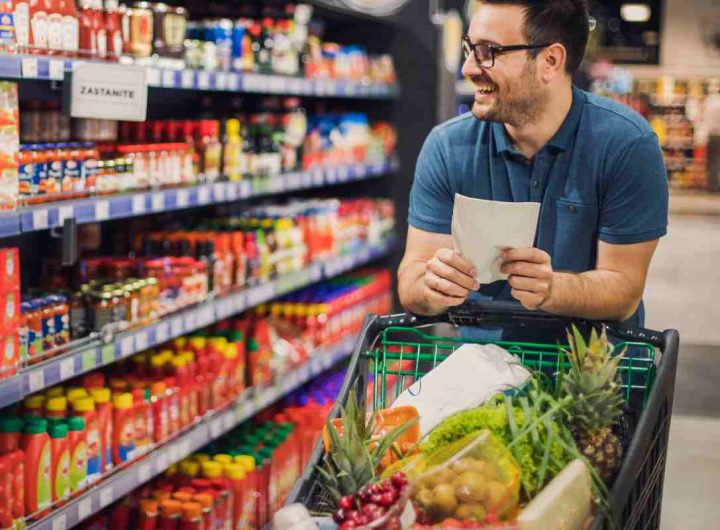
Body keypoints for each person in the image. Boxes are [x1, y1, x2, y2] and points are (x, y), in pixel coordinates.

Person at [398, 0, 668, 328]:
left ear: (550, 61)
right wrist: (431, 285)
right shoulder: (447, 147)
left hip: (593, 368)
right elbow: (411, 280)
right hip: (479, 368)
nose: (468, 67)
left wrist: (553, 288)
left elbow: (624, 291)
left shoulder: (625, 145)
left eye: (488, 51)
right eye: (469, 48)